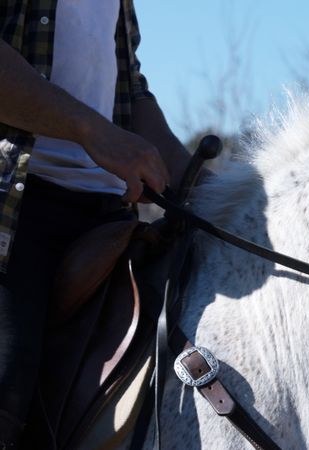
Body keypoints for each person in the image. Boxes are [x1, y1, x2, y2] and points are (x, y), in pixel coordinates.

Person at [0, 1, 191, 446]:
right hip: (12, 211)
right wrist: (94, 132)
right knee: (7, 377)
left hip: (106, 218)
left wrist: (199, 187)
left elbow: (131, 88)